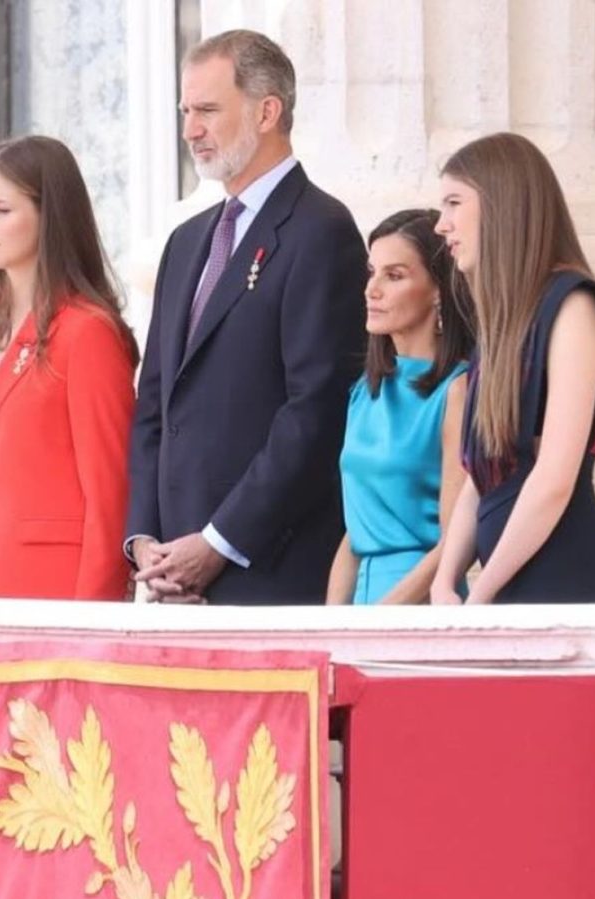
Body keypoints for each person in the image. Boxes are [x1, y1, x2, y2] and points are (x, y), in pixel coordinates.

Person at [126, 29, 367, 605]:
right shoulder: (186, 242)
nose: (190, 130)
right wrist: (145, 543)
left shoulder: (321, 231)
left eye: (207, 110)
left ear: (267, 111)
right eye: (186, 112)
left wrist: (217, 543)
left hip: (267, 575)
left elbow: (315, 412)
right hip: (170, 580)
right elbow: (155, 404)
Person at [430, 132, 595, 604]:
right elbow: (485, 474)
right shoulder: (505, 326)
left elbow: (553, 478)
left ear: (503, 204)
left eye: (454, 203)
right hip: (508, 589)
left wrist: (481, 593)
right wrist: (446, 579)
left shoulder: (573, 308)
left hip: (568, 586)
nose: (442, 225)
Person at [0, 135, 138, 600]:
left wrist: (94, 620)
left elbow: (110, 494)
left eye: (1, 210)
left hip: (54, 593)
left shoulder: (87, 332)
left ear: (48, 216)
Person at [326, 209, 473, 605]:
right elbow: (355, 532)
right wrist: (330, 626)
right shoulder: (365, 391)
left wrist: (384, 617)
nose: (371, 289)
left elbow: (456, 539)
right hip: (361, 601)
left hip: (421, 603)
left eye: (394, 276)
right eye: (372, 272)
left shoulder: (457, 389)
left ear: (438, 288)